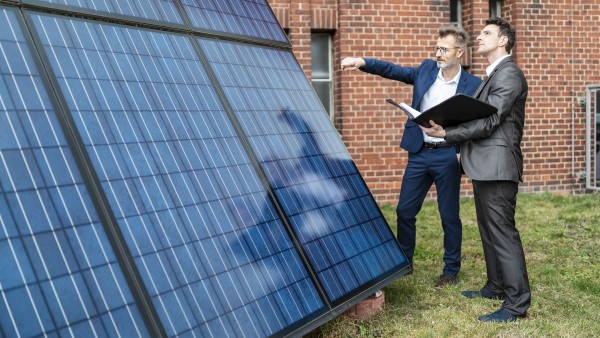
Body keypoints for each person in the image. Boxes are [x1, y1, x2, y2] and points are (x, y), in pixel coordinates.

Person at [341, 25, 482, 288]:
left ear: (459, 52)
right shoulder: (426, 70)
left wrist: (462, 152)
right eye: (437, 48)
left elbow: (476, 123)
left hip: (447, 156)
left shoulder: (473, 85)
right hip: (419, 153)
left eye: (444, 49)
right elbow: (393, 70)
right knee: (405, 211)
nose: (438, 53)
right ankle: (405, 261)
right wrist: (361, 62)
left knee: (448, 215)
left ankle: (451, 270)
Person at [421, 17, 530, 322]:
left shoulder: (509, 74)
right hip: (484, 165)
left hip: (498, 167)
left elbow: (491, 120)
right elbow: (480, 115)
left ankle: (516, 304)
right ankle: (496, 286)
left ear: (504, 41)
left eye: (486, 33)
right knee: (489, 230)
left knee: (503, 233)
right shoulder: (492, 75)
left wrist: (448, 134)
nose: (479, 38)